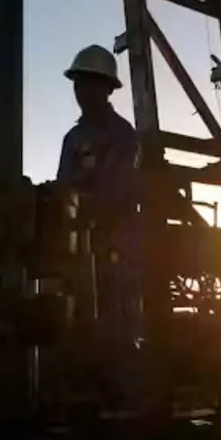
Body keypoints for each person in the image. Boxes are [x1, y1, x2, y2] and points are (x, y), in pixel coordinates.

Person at [56, 45, 142, 409]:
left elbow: (117, 190)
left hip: (114, 245)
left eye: (89, 84)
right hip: (77, 246)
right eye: (78, 84)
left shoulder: (122, 135)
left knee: (115, 325)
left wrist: (87, 211)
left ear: (107, 88)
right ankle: (85, 401)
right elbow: (63, 190)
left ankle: (124, 408)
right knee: (76, 323)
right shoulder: (72, 138)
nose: (81, 91)